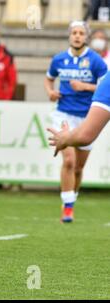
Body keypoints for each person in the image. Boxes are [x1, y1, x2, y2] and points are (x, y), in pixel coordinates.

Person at [44, 21, 107, 223]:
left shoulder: (96, 61)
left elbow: (105, 87)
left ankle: (71, 199)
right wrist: (51, 92)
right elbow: (48, 79)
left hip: (87, 116)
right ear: (69, 36)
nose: (77, 36)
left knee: (79, 168)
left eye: (81, 33)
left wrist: (85, 87)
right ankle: (67, 208)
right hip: (63, 114)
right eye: (74, 33)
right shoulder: (59, 59)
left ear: (86, 37)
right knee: (69, 160)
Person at [48, 72, 110, 169]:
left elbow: (84, 135)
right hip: (67, 113)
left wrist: (64, 139)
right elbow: (48, 79)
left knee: (78, 168)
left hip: (84, 118)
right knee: (69, 162)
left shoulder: (106, 80)